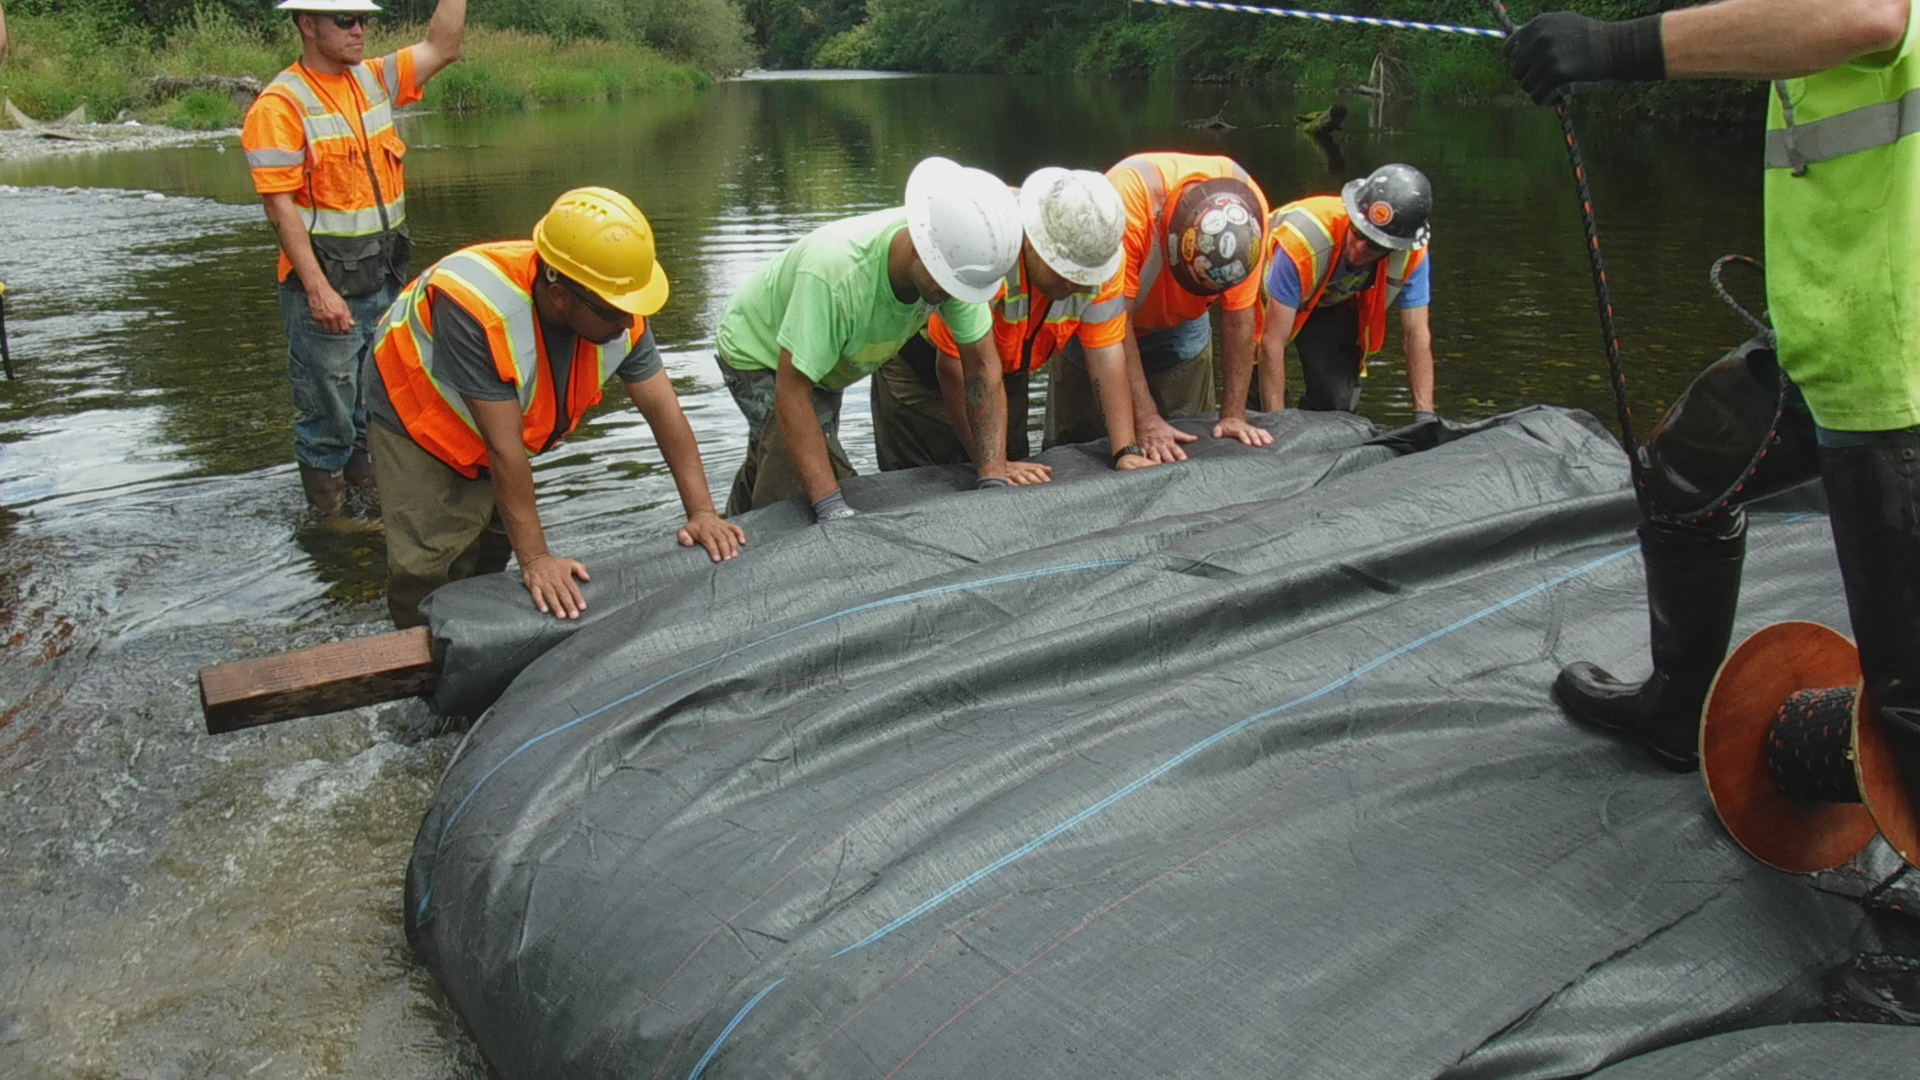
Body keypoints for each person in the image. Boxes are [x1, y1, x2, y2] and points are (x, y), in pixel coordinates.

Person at [1505, 0, 1917, 798]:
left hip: (1895, 365)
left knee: (1910, 699)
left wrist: (1613, 45)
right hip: (1827, 335)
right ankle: (1675, 710)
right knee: (1682, 476)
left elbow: (1867, 14)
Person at [363, 187, 743, 628]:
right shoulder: (477, 311)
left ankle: (480, 635)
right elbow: (504, 449)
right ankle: (419, 660)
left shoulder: (615, 302)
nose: (629, 322)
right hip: (416, 410)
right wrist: (539, 558)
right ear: (560, 295)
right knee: (428, 563)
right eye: (614, 312)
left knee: (493, 543)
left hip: (496, 420)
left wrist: (702, 514)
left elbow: (665, 412)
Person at [241, 0, 466, 521]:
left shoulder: (375, 80)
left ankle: (371, 504)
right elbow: (280, 207)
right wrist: (317, 289)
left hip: (382, 282)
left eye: (363, 19)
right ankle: (334, 523)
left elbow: (443, 46)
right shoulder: (280, 106)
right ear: (307, 24)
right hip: (324, 291)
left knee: (373, 409)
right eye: (345, 20)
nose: (359, 29)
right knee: (327, 420)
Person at [716, 156, 1029, 522]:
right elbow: (792, 391)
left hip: (827, 361)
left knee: (780, 449)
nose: (951, 295)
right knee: (798, 492)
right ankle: (754, 555)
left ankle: (733, 520)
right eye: (945, 284)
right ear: (918, 249)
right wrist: (832, 508)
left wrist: (993, 473)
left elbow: (981, 365)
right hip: (759, 352)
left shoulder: (956, 259)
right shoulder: (837, 276)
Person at [871, 167, 1155, 474]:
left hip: (1002, 373)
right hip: (922, 373)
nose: (1074, 286)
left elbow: (1106, 355)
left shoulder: (1099, 256)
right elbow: (952, 366)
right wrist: (992, 464)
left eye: (1084, 278)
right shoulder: (986, 244)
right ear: (1033, 243)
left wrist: (1125, 450)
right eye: (1065, 273)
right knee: (925, 485)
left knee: (1017, 478)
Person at [1045, 152, 1275, 462]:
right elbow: (1114, 320)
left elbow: (1239, 318)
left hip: (1181, 327)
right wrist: (1146, 418)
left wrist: (1233, 414)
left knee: (1189, 445)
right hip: (1098, 320)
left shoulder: (1247, 220)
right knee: (1081, 448)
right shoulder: (1123, 206)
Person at [1255, 164, 1437, 420]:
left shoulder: (1412, 255)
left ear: (1394, 247)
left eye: (1373, 244)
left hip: (1330, 300)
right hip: (1264, 299)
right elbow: (1271, 343)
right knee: (1256, 406)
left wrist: (1424, 415)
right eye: (1357, 232)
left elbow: (1416, 335)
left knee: (1336, 405)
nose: (1359, 247)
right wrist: (1277, 424)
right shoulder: (1302, 243)